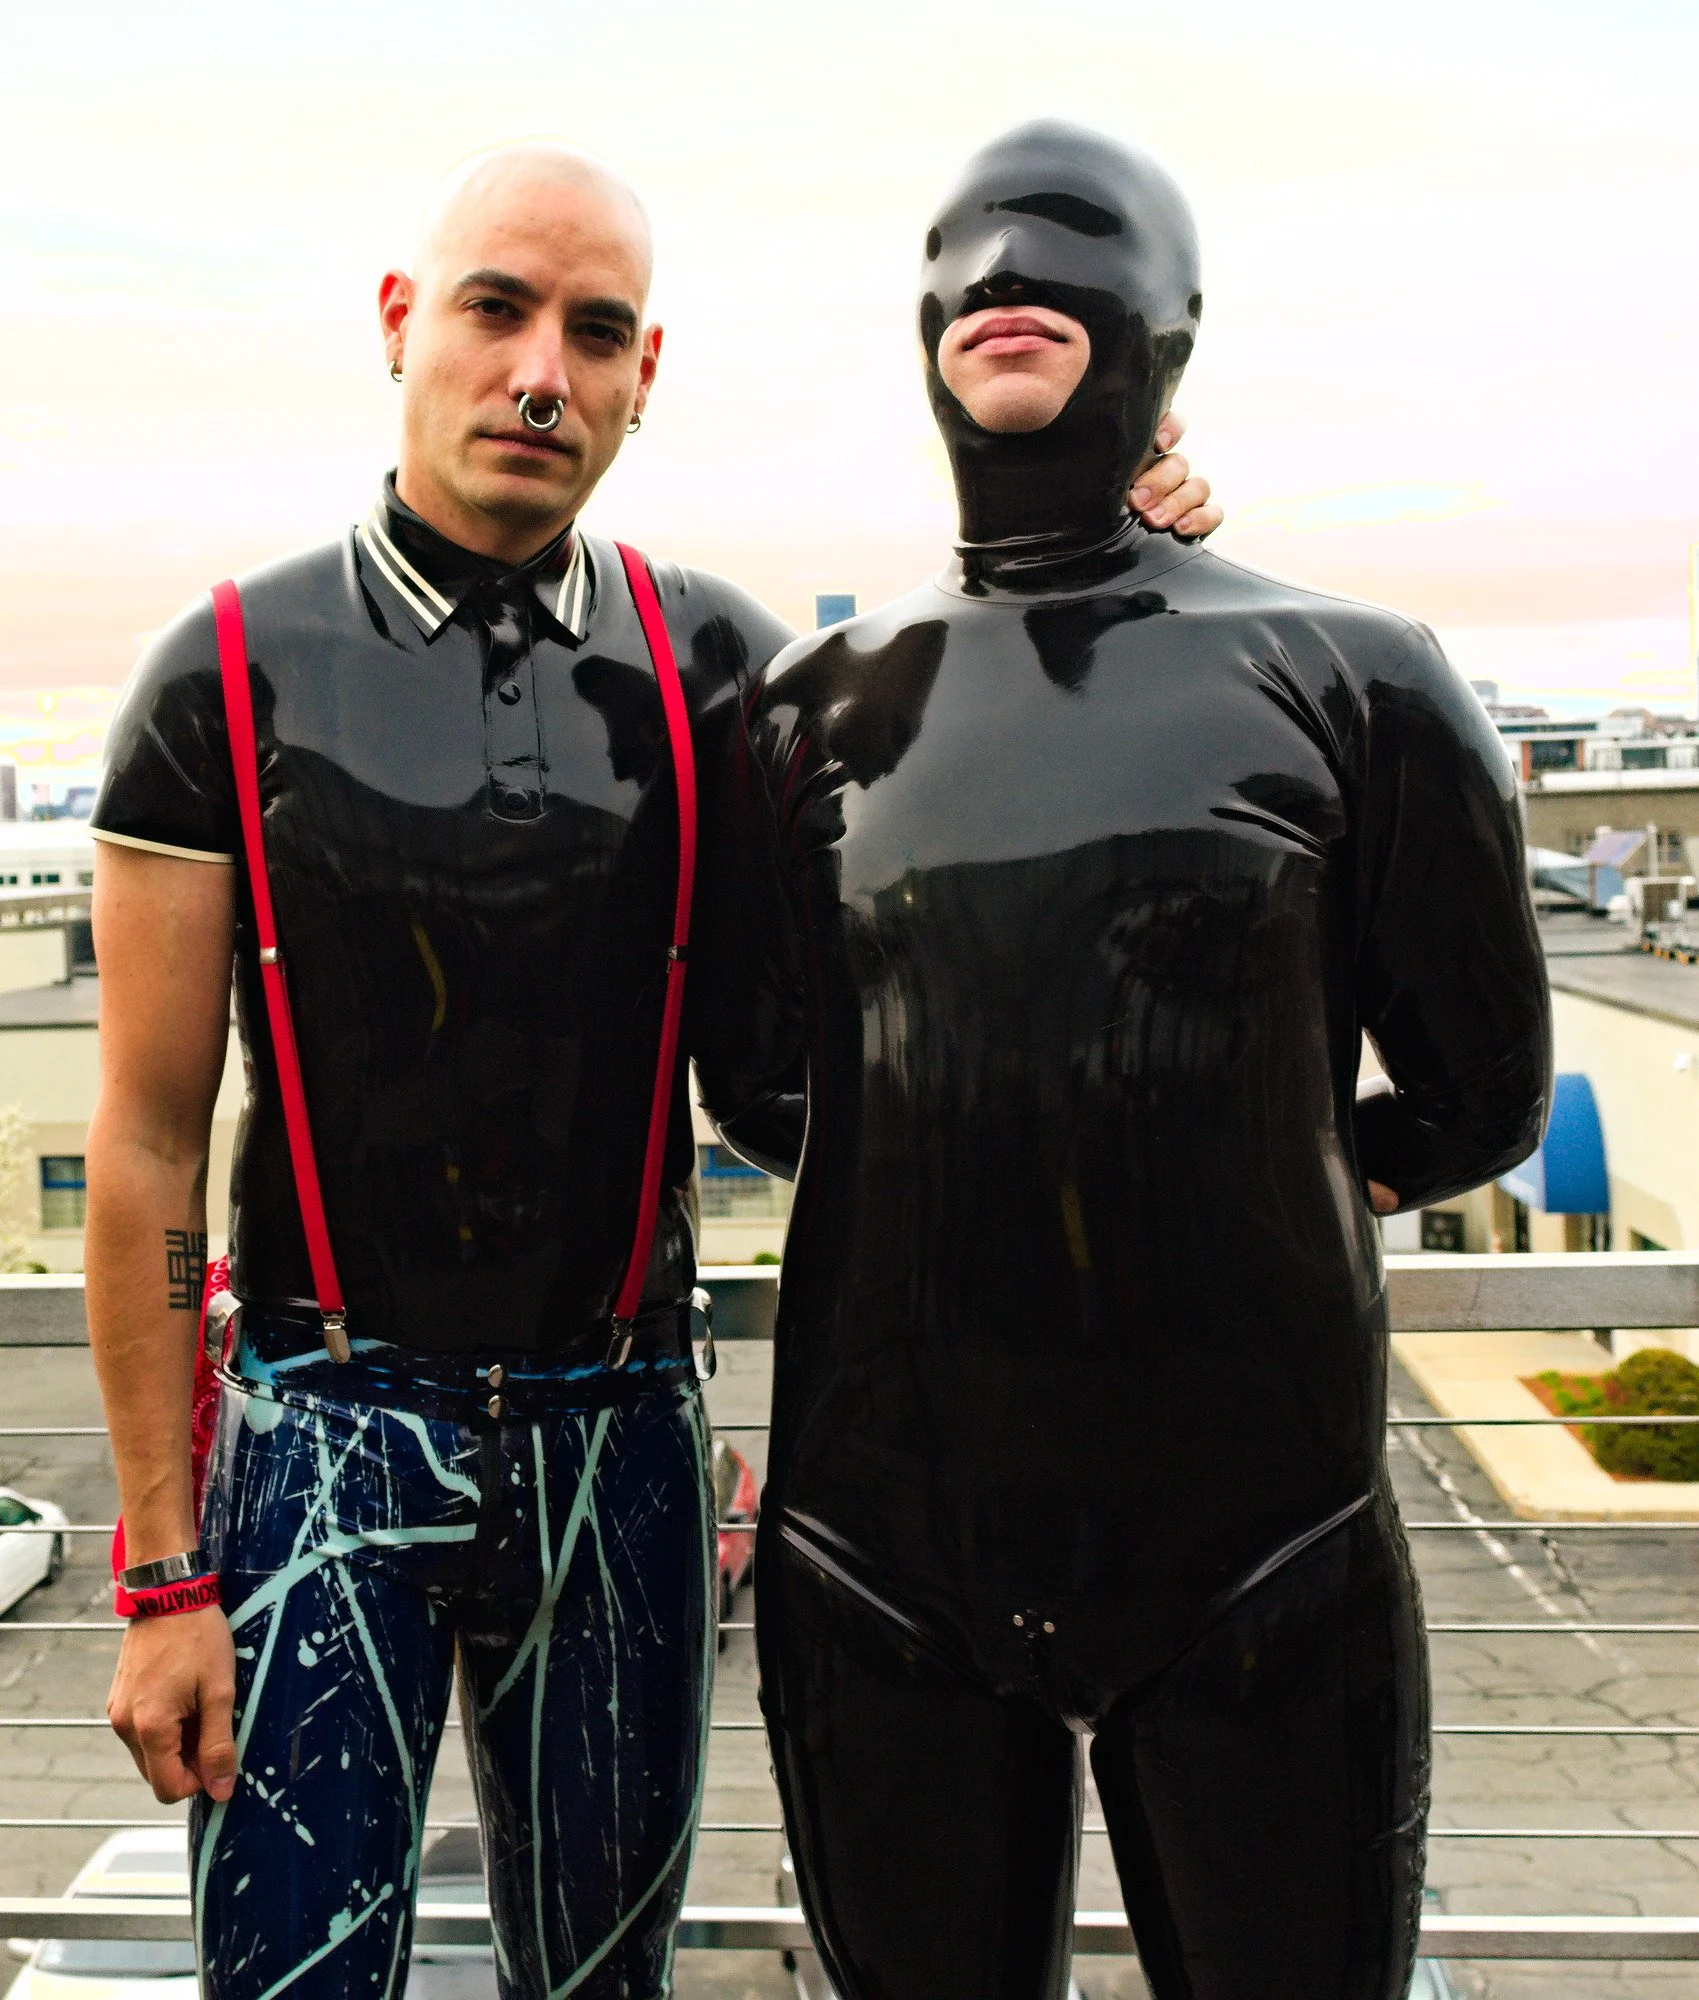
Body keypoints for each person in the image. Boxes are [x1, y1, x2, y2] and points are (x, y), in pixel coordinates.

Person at [85, 143, 1219, 1998]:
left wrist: (1125, 534)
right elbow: (140, 1144)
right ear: (400, 323)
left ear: (644, 374)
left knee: (609, 1982)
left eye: (595, 333)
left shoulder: (714, 661)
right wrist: (158, 1573)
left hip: (619, 1439)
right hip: (317, 1436)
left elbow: (989, 749)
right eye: (496, 310)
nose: (542, 372)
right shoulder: (224, 670)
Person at [695, 120, 1551, 2000]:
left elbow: (1483, 1089)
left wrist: (1258, 1172)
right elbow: (756, 1082)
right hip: (876, 1543)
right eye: (964, 263)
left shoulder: (1355, 674)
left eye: (1068, 249)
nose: (1004, 283)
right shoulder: (804, 709)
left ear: (1164, 325)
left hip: (1264, 1538)